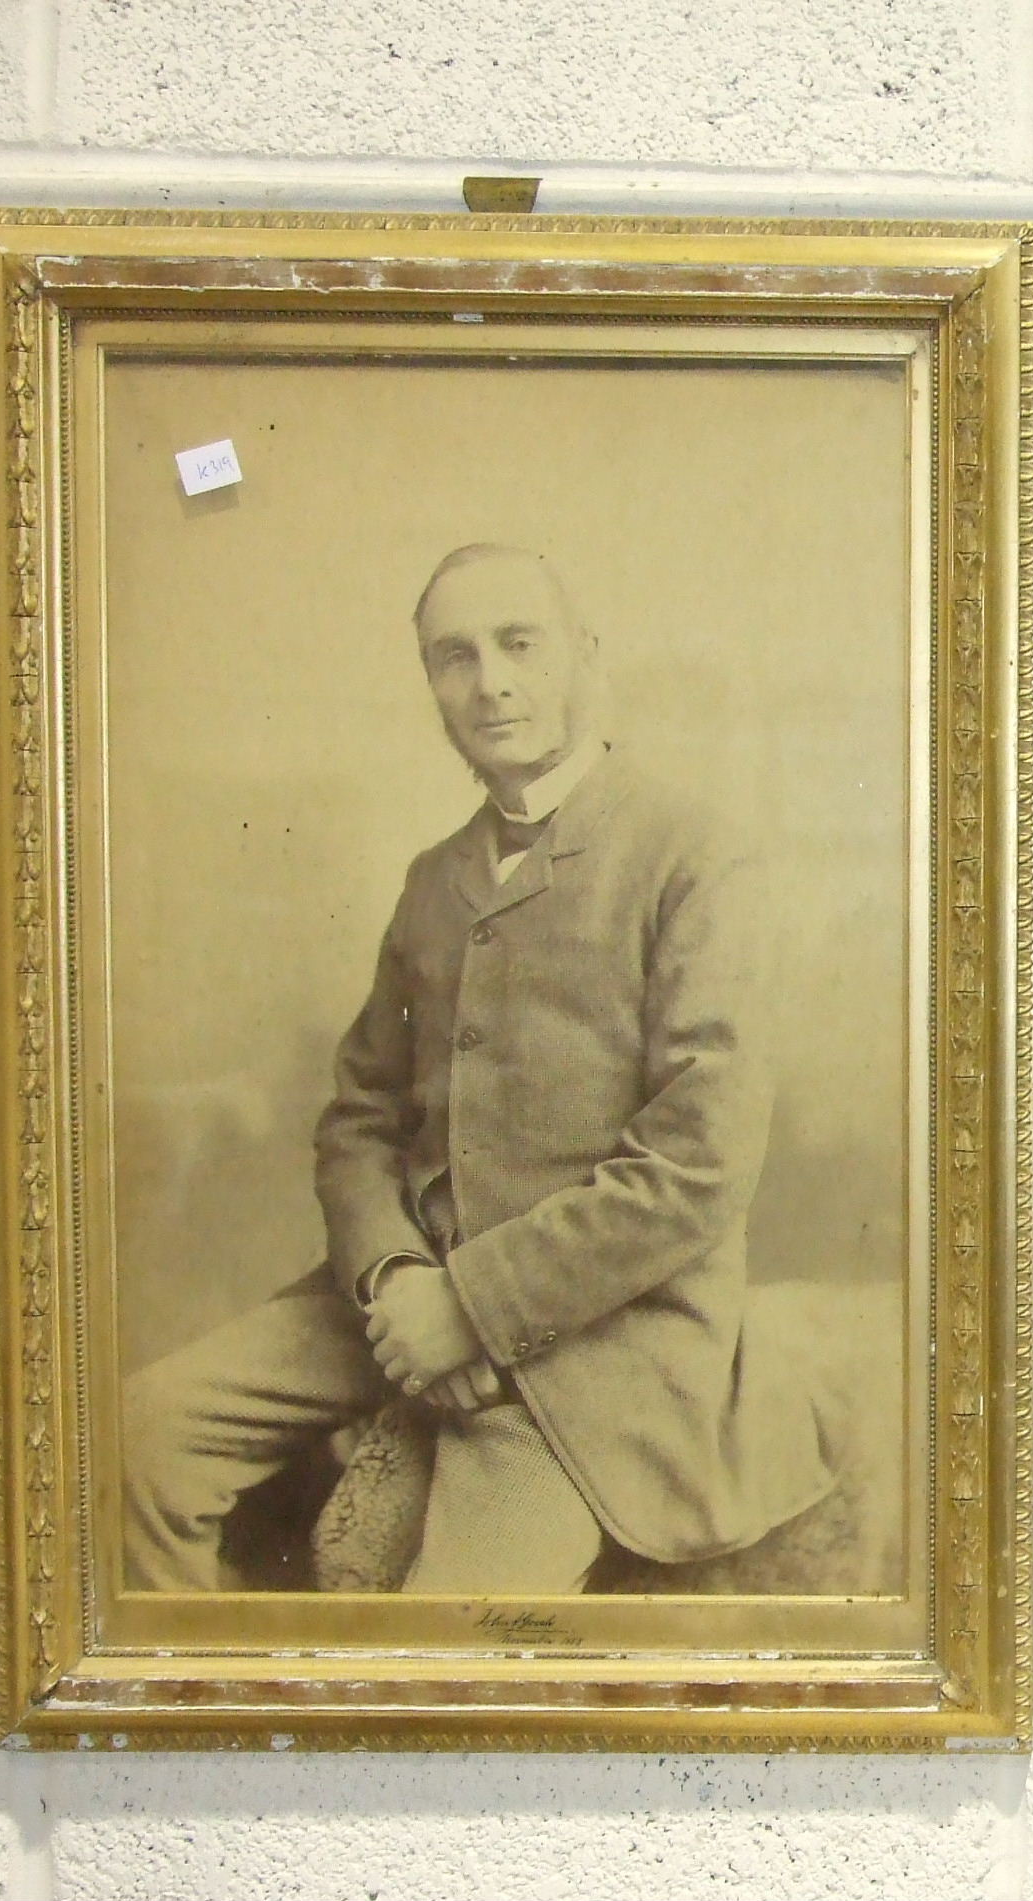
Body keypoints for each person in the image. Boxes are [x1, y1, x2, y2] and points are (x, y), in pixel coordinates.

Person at [123, 543, 830, 1594]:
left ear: (584, 655)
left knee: (456, 1626)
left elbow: (699, 1159)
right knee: (140, 1438)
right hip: (405, 1298)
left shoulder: (693, 853)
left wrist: (476, 1304)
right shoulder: (432, 879)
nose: (489, 681)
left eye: (518, 643)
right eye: (453, 655)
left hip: (604, 1340)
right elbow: (357, 1118)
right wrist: (395, 1273)